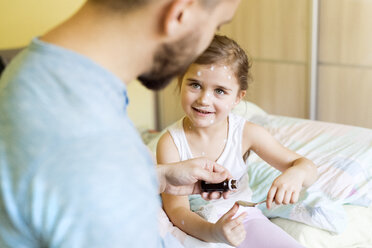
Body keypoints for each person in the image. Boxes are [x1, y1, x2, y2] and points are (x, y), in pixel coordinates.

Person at [0, 0, 242, 247]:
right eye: (216, 25)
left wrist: (157, 177)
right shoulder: (93, 143)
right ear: (181, 13)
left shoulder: (30, 70)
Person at [157, 35, 318, 247]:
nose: (204, 99)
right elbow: (177, 211)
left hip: (244, 221)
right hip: (197, 229)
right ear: (180, 81)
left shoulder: (246, 133)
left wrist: (296, 174)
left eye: (220, 91)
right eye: (195, 85)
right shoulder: (170, 143)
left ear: (238, 98)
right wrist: (214, 232)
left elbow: (307, 168)